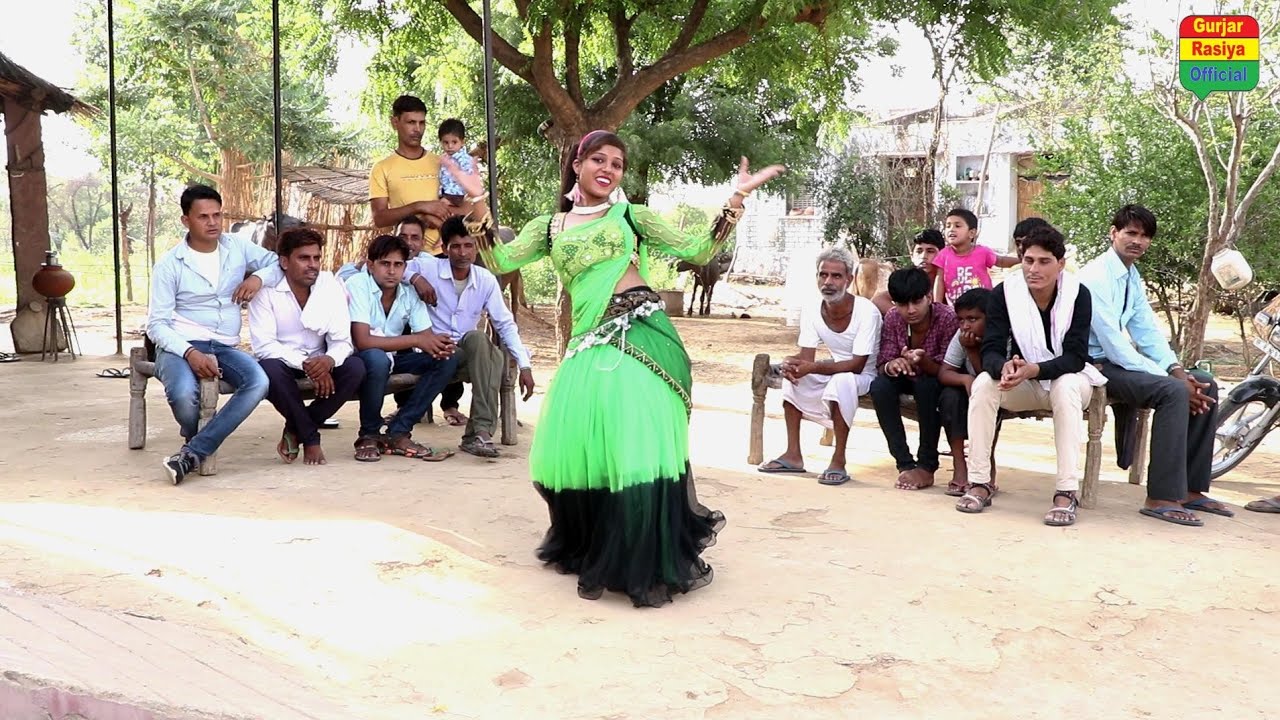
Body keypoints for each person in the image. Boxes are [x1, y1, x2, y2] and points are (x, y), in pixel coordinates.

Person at [473, 129, 783, 607]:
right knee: (587, 447)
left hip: (640, 331)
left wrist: (736, 198)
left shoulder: (631, 215)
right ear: (577, 163)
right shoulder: (550, 227)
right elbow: (498, 259)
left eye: (616, 164)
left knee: (636, 440)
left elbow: (699, 251)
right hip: (586, 344)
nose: (608, 169)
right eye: (598, 158)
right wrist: (477, 205)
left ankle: (646, 553)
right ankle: (600, 545)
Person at [1080, 204, 1224, 526]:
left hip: (1120, 363)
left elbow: (1146, 331)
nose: (1138, 241)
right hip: (1096, 366)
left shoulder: (1131, 275)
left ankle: (1190, 489)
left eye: (1145, 236)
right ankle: (1161, 496)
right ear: (1113, 233)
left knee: (1206, 383)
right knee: (1174, 392)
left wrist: (1176, 369)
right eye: (1131, 233)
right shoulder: (1095, 276)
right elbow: (1115, 346)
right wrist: (1173, 381)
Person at [955, 224, 1105, 526]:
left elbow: (1076, 357)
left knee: (1064, 386)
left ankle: (1066, 491)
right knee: (984, 383)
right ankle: (980, 483)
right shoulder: (1005, 294)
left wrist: (1036, 368)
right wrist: (1004, 368)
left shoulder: (1078, 294)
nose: (1033, 269)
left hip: (1072, 381)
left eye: (1044, 261)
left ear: (1060, 264)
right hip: (1026, 381)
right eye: (1028, 260)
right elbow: (992, 350)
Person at [146, 184, 274, 485]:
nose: (213, 222)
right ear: (186, 221)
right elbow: (156, 325)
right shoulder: (169, 264)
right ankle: (196, 441)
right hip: (181, 343)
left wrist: (256, 278)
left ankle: (192, 452)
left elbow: (275, 263)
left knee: (258, 382)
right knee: (182, 395)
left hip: (225, 344)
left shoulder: (237, 247)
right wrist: (190, 353)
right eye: (203, 216)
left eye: (217, 215)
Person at [402, 216, 536, 457]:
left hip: (466, 356)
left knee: (478, 341)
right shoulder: (430, 268)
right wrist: (416, 278)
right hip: (433, 354)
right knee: (490, 354)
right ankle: (479, 434)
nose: (462, 253)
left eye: (468, 245)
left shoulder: (484, 280)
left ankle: (480, 433)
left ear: (476, 248)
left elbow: (505, 324)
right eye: (455, 246)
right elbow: (394, 267)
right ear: (444, 249)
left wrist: (525, 366)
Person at [757, 247, 882, 485]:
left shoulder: (866, 311)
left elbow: (857, 365)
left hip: (864, 375)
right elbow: (807, 356)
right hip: (833, 369)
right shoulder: (813, 308)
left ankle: (839, 460)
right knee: (793, 375)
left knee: (842, 381)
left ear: (849, 279)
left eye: (836, 276)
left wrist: (811, 367)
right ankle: (793, 455)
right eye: (823, 275)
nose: (828, 282)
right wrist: (791, 363)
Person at [248, 228, 366, 465]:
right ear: (284, 261)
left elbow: (342, 341)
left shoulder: (330, 286)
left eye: (316, 258)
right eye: (304, 258)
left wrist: (329, 361)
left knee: (356, 368)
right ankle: (311, 438)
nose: (312, 264)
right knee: (269, 370)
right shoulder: (265, 293)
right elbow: (264, 346)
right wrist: (308, 365)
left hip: (321, 359)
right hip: (284, 362)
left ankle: (294, 429)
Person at [346, 234, 461, 462]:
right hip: (356, 362)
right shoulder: (357, 285)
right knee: (376, 359)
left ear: (404, 267)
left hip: (390, 359)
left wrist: (439, 344)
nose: (391, 271)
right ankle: (368, 435)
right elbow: (362, 341)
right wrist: (417, 341)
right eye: (385, 264)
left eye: (398, 265)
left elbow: (426, 337)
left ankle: (398, 431)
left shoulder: (408, 292)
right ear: (371, 265)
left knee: (449, 357)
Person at [870, 267, 958, 491]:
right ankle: (904, 463)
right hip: (906, 376)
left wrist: (922, 360)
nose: (910, 310)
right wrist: (893, 365)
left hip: (935, 378)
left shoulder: (947, 317)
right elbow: (884, 360)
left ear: (929, 297)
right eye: (902, 304)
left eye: (916, 302)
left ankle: (927, 466)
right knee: (880, 387)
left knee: (928, 388)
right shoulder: (892, 317)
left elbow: (948, 368)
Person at [369, 95, 453, 255]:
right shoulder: (382, 168)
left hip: (445, 254)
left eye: (422, 123)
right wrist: (419, 207)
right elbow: (379, 218)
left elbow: (463, 204)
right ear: (395, 123)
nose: (417, 129)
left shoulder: (442, 163)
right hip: (407, 256)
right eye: (411, 122)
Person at [937, 287, 991, 496]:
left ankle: (987, 465)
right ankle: (959, 463)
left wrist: (972, 351)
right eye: (961, 320)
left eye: (973, 319)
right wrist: (965, 378)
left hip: (996, 391)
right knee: (950, 397)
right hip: (969, 392)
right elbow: (945, 371)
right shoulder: (963, 336)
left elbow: (991, 377)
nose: (965, 325)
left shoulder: (1001, 335)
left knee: (988, 398)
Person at [931, 208, 1019, 305]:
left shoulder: (982, 252)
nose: (951, 229)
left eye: (957, 226)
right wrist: (937, 305)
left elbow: (1001, 261)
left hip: (984, 306)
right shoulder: (943, 255)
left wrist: (1023, 260)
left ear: (972, 233)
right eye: (948, 226)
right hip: (956, 309)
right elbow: (939, 281)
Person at [871, 228, 944, 315]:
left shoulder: (951, 279)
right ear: (912, 256)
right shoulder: (908, 279)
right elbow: (878, 300)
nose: (923, 256)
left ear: (943, 255)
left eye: (930, 251)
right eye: (919, 251)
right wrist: (904, 315)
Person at [436, 118, 476, 207]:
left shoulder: (465, 159)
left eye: (454, 142)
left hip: (459, 194)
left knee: (439, 207)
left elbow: (469, 179)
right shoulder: (444, 158)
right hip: (446, 193)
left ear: (462, 142)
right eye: (446, 142)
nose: (450, 146)